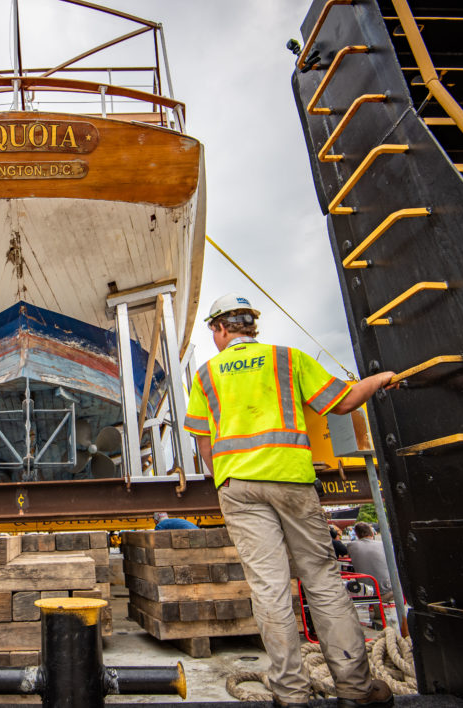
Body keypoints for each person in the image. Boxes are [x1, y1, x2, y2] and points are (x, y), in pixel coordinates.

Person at [184, 293, 397, 708]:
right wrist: (381, 378)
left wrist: (223, 478)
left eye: (213, 329)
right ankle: (355, 688)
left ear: (220, 328)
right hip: (292, 481)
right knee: (322, 580)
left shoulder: (207, 374)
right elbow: (344, 401)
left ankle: (290, 694)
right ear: (252, 325)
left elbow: (203, 440)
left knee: (269, 588)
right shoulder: (288, 358)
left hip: (238, 487)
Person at [348, 522, 393, 603]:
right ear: (372, 532)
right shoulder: (383, 545)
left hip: (365, 592)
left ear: (357, 534)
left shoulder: (351, 545)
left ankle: (376, 611)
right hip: (389, 591)